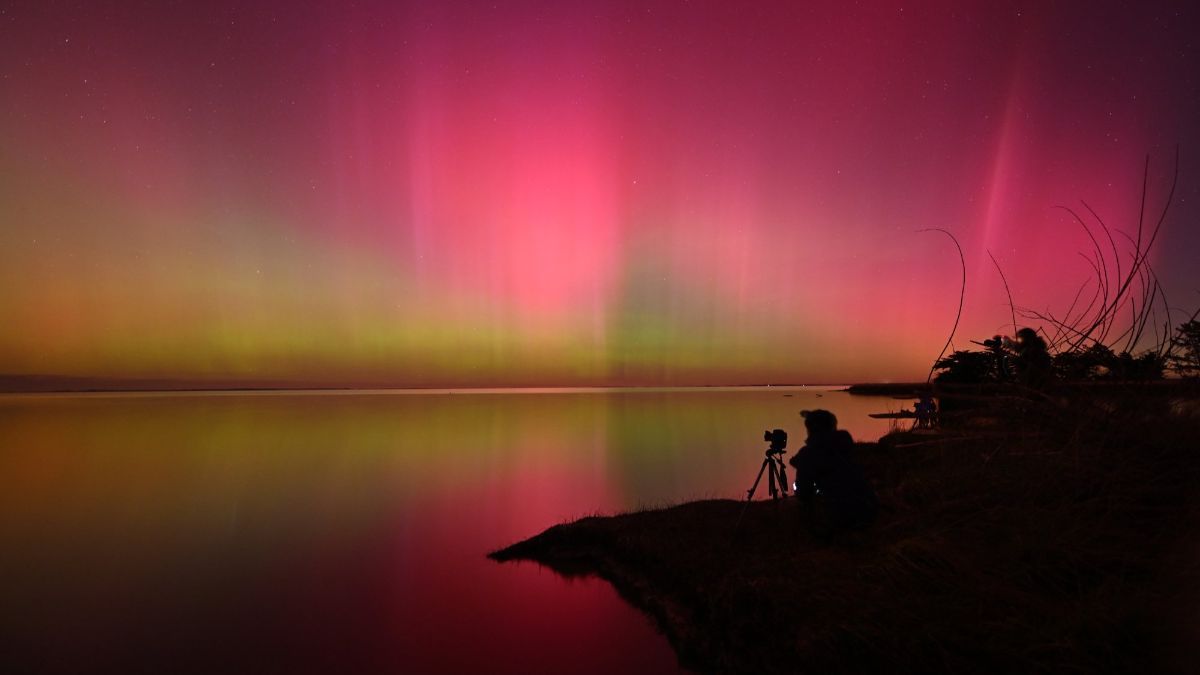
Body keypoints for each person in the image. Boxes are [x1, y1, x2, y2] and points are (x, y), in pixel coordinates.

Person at [789, 409, 878, 537]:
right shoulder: (845, 443)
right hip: (869, 509)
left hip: (841, 517)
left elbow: (804, 493)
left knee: (802, 505)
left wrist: (803, 464)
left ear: (811, 430)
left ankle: (817, 537)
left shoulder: (809, 454)